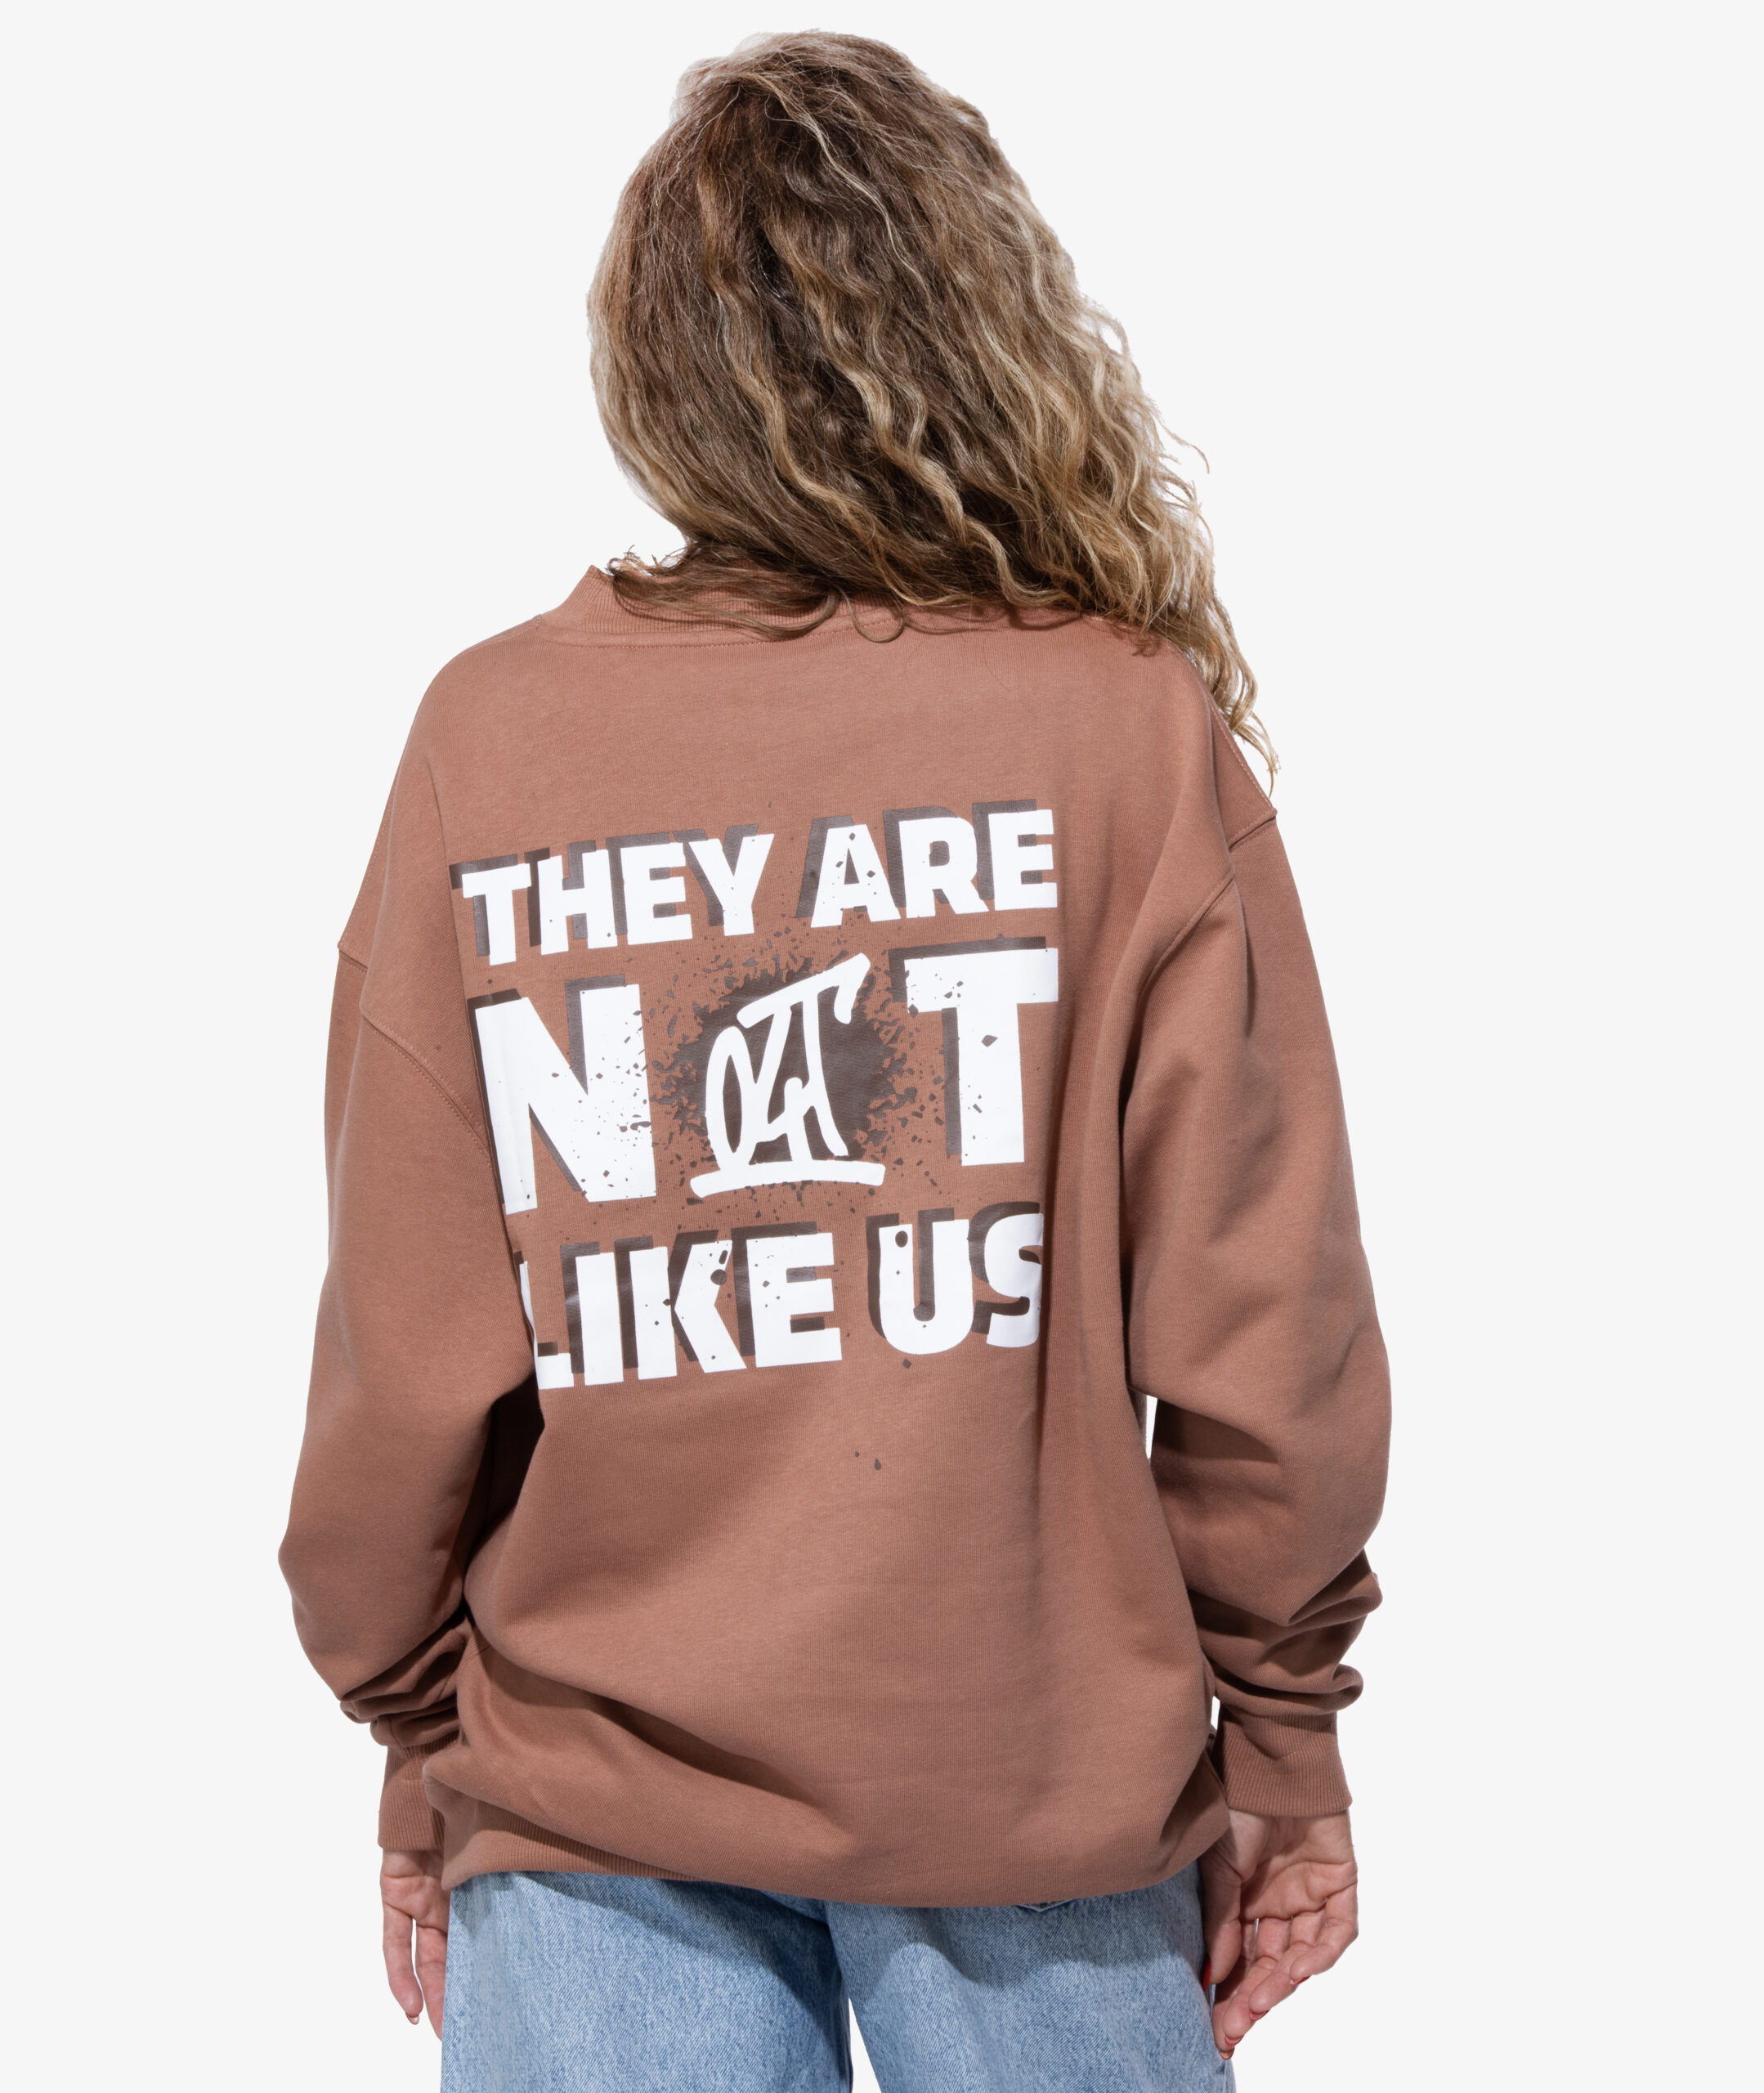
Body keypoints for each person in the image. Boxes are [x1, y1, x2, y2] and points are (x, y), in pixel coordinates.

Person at [280, 32, 1389, 2092]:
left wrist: (422, 1727)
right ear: (987, 328)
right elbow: (1263, 1323)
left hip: (590, 1794)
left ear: (657, 366)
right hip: (1035, 1774)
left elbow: (403, 1338)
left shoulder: (492, 741)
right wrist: (1283, 1727)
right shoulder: (1119, 730)